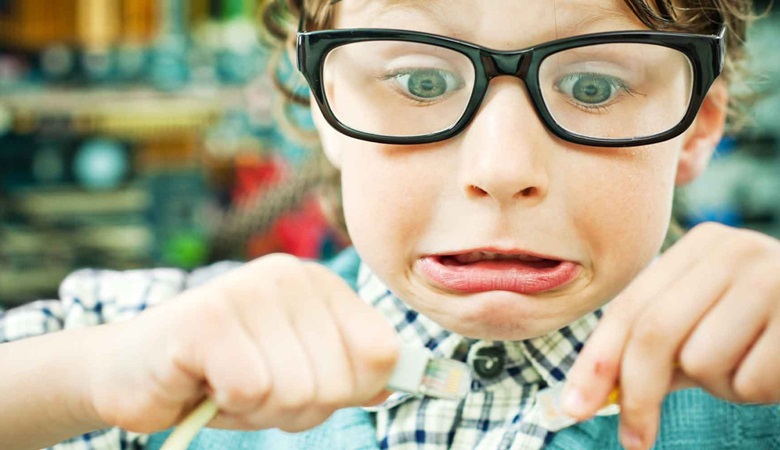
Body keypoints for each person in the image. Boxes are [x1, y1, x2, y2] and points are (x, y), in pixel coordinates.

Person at [1, 0, 778, 449]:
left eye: (594, 88)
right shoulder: (152, 347)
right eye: (421, 80)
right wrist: (89, 373)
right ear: (320, 106)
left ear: (699, 123)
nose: (503, 168)